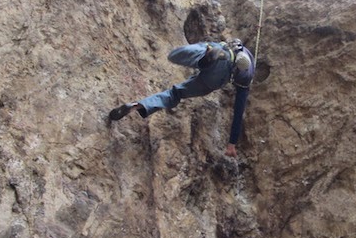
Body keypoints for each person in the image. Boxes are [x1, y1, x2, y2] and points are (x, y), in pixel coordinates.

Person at [109, 39, 255, 157]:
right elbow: (238, 112)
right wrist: (232, 144)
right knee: (176, 93)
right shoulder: (245, 81)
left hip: (221, 53)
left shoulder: (240, 48)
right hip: (216, 79)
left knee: (175, 55)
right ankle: (137, 105)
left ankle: (205, 57)